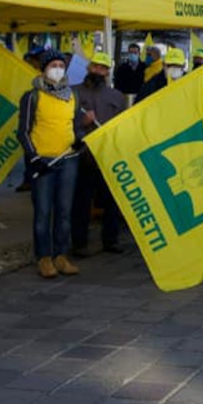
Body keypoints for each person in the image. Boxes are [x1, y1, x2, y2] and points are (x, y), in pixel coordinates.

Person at [18, 50, 83, 279]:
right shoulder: (32, 96)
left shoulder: (72, 95)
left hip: (67, 161)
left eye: (61, 65)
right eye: (53, 65)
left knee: (64, 211)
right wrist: (33, 158)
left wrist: (78, 140)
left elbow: (73, 126)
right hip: (43, 162)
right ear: (44, 69)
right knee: (43, 212)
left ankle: (61, 255)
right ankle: (44, 257)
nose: (57, 69)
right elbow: (23, 131)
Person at [71, 52, 125, 256]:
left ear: (107, 72)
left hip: (108, 155)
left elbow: (122, 126)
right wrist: (81, 125)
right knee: (81, 202)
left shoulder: (116, 96)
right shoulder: (73, 93)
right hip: (83, 155)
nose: (97, 71)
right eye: (94, 66)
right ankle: (79, 243)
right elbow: (65, 123)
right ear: (88, 68)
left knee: (112, 201)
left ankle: (111, 240)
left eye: (102, 68)